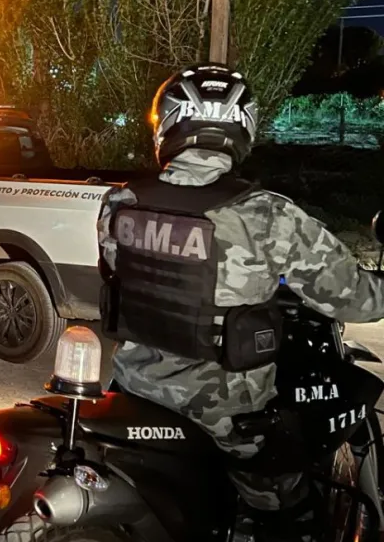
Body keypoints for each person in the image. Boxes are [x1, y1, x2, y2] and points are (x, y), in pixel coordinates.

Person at [98, 63, 384, 537]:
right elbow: (355, 300)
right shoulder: (266, 215)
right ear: (242, 127)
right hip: (226, 417)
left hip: (133, 391)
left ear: (167, 124)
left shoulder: (119, 202)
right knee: (290, 514)